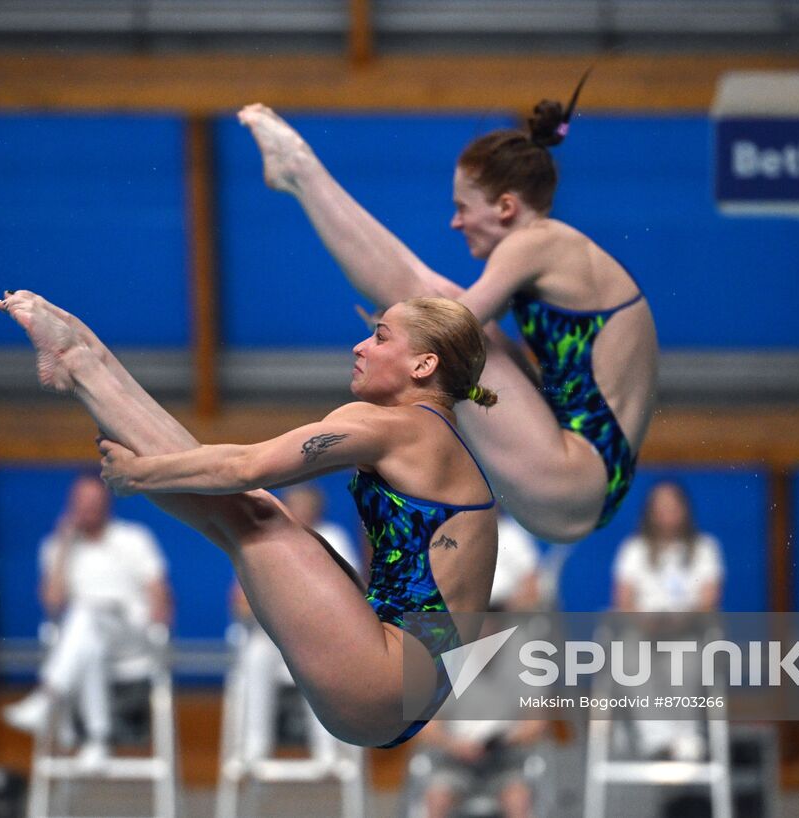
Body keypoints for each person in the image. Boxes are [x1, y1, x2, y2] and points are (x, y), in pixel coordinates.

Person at [0, 289, 497, 748]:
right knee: (246, 518)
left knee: (254, 517)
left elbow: (244, 467)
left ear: (423, 364)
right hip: (406, 688)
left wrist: (141, 475)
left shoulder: (404, 428)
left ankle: (84, 364)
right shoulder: (432, 436)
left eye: (380, 337)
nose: (360, 346)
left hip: (387, 681)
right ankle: (87, 362)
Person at [237, 76, 659, 544]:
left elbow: (450, 323)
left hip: (571, 475)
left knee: (428, 302)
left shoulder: (536, 242)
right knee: (435, 304)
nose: (455, 222)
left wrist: (395, 336)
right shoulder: (562, 250)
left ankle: (300, 170)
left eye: (463, 207)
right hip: (582, 479)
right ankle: (300, 174)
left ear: (505, 206)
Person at [2, 474, 172, 767]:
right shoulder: (55, 547)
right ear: (70, 505)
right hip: (87, 640)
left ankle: (47, 696)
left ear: (107, 503)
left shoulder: (133, 538)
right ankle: (97, 739)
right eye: (81, 503)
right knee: (87, 632)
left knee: (86, 616)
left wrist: (157, 620)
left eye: (94, 502)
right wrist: (65, 545)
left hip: (131, 636)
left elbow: (161, 596)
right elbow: (53, 604)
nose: (88, 509)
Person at [416, 513, 548, 818]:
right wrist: (456, 746)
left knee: (518, 801)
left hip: (505, 762)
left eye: (495, 612)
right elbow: (427, 728)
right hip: (453, 760)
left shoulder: (525, 658)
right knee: (436, 799)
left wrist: (502, 742)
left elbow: (536, 722)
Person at [231, 484, 363, 762]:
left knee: (320, 657)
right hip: (274, 640)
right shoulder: (260, 541)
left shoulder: (334, 539)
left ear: (317, 510)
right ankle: (255, 748)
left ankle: (328, 749)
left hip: (322, 640)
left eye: (306, 506)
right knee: (255, 656)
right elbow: (241, 605)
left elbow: (353, 596)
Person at [610, 480, 723, 761]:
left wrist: (678, 622)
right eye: (660, 508)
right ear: (649, 512)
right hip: (643, 634)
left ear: (685, 510)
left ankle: (686, 735)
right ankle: (657, 740)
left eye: (672, 507)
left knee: (686, 657)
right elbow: (623, 602)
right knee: (628, 656)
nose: (667, 514)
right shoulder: (633, 550)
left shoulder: (705, 549)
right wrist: (648, 623)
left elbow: (708, 600)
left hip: (688, 632)